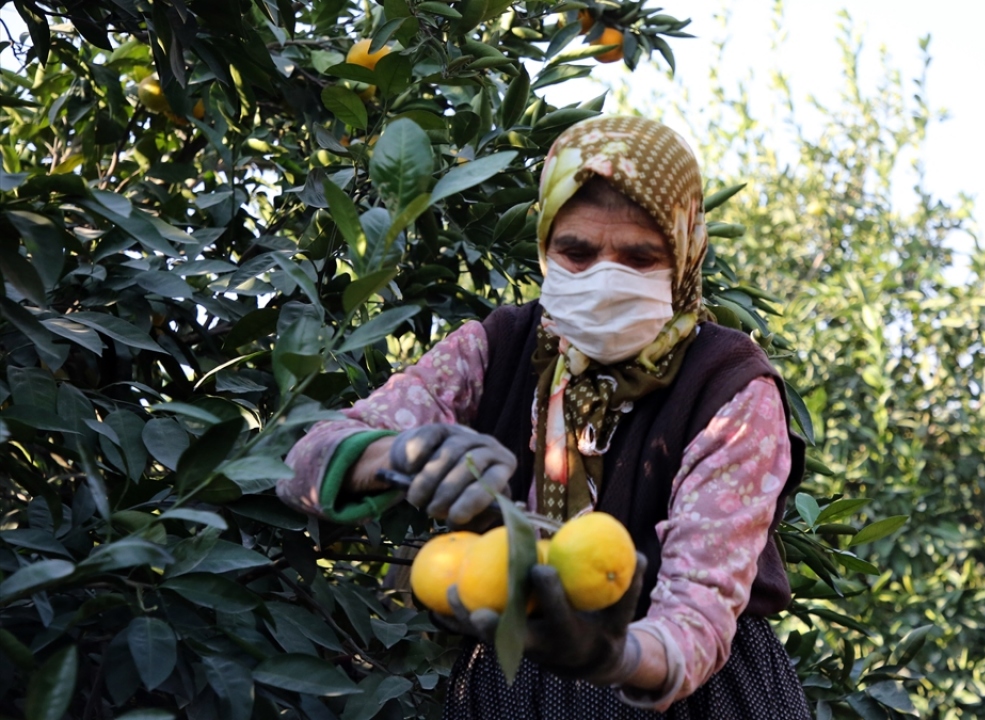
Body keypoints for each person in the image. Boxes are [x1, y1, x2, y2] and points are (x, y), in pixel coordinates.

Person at [281, 115, 810, 718]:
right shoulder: (499, 348)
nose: (605, 278)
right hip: (514, 678)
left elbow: (698, 615)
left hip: (688, 692)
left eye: (640, 257)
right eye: (576, 252)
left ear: (686, 253)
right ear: (545, 244)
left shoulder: (728, 387)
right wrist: (397, 456)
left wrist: (611, 656)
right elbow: (302, 463)